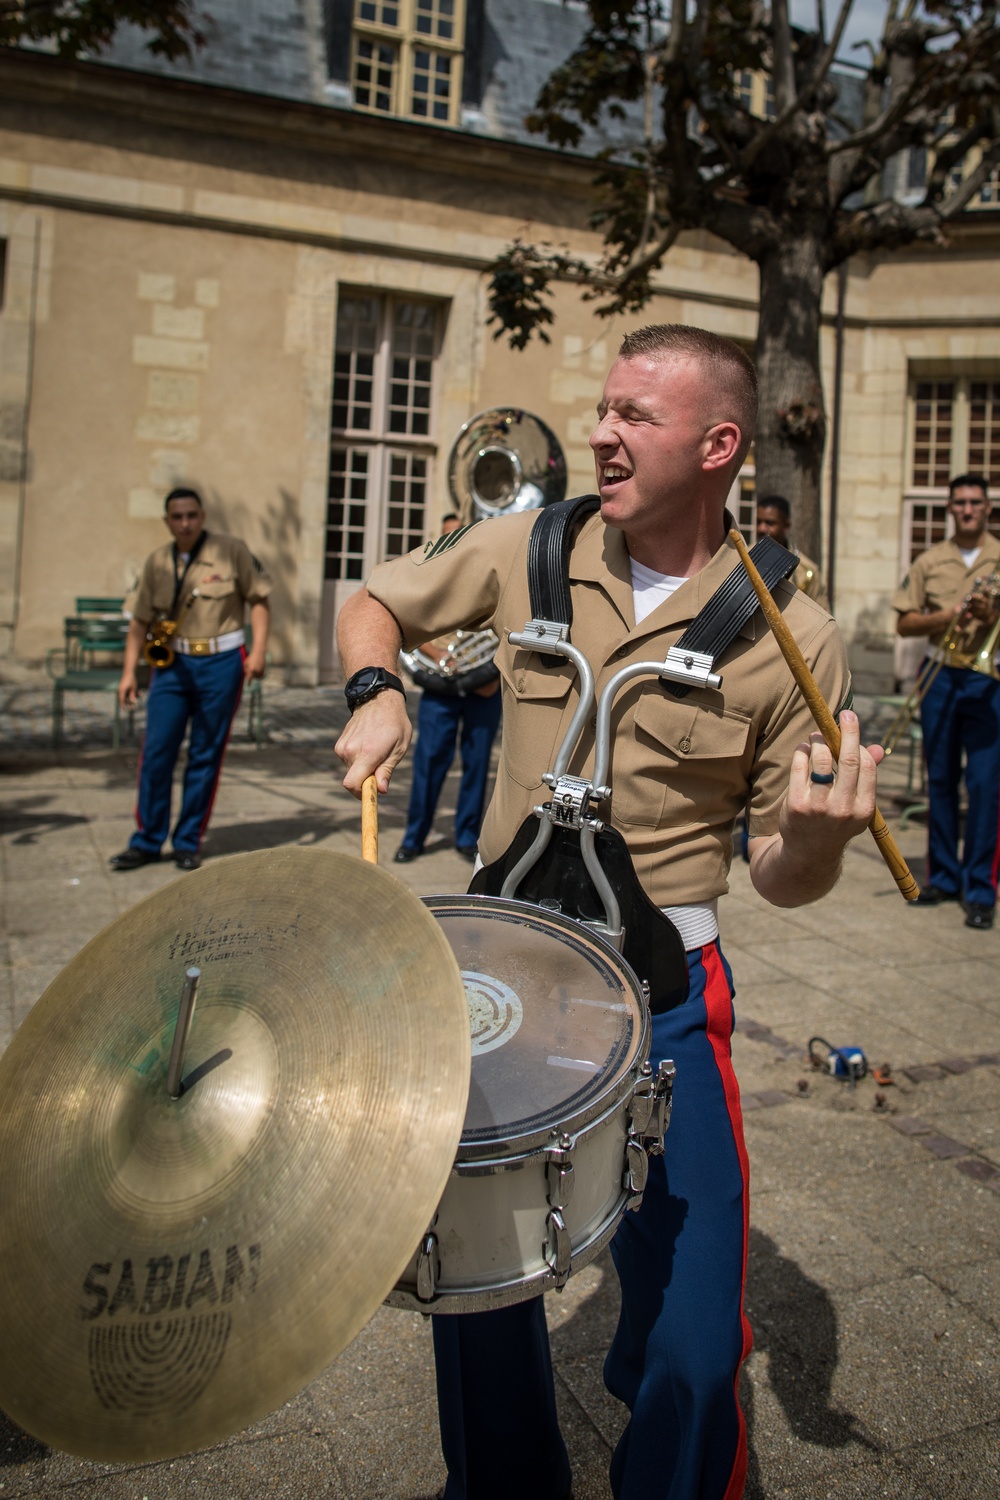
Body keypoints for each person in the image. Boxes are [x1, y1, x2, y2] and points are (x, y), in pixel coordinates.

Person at [334, 324, 883, 1500]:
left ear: (718, 444)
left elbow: (781, 872)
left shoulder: (796, 637)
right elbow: (375, 602)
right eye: (605, 408)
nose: (599, 432)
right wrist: (379, 692)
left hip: (666, 995)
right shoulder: (527, 546)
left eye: (636, 414)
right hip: (505, 979)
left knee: (693, 1346)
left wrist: (821, 840)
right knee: (474, 1283)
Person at [109, 487, 271, 873]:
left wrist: (260, 651)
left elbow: (260, 599)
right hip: (172, 665)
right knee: (157, 753)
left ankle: (187, 840)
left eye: (191, 515)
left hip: (222, 662)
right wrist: (129, 671)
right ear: (167, 521)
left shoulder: (231, 550)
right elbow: (139, 621)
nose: (185, 523)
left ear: (202, 515)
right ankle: (147, 840)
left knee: (205, 753)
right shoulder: (157, 562)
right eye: (177, 517)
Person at [892, 473, 1000, 930]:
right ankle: (943, 877)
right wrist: (948, 616)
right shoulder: (930, 561)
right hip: (939, 675)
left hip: (988, 680)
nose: (968, 509)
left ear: (988, 507)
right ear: (950, 509)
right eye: (959, 502)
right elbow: (904, 622)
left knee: (984, 786)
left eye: (975, 502)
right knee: (939, 780)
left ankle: (979, 888)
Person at [395, 515, 503, 864]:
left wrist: (495, 672)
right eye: (448, 536)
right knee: (428, 763)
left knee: (477, 763)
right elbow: (407, 623)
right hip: (440, 683)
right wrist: (436, 652)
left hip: (484, 685)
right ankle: (415, 836)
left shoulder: (496, 573)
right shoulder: (429, 576)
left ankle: (467, 836)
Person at [755, 493, 830, 609]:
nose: (761, 528)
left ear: (786, 525)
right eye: (759, 522)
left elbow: (822, 614)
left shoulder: (807, 570)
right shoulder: (741, 558)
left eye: (770, 523)